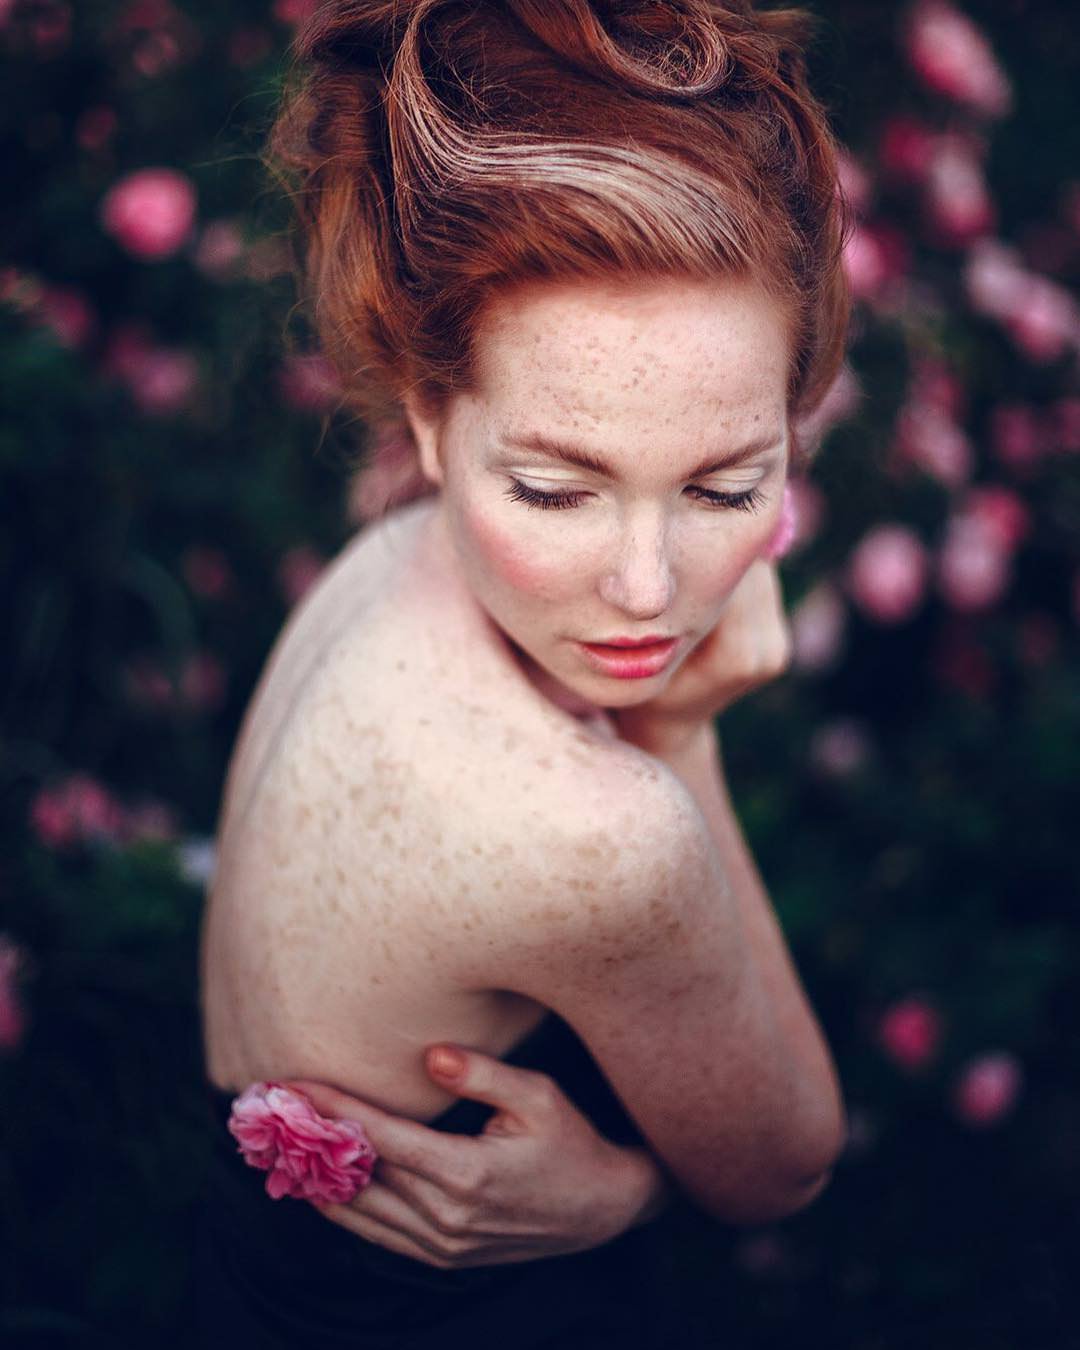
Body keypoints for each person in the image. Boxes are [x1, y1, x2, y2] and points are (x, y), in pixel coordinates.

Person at [194, 1, 851, 1345]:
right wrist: (680, 737)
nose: (648, 591)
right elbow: (785, 1169)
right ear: (432, 421)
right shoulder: (597, 840)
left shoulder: (394, 554)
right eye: (556, 491)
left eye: (727, 485)